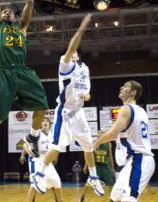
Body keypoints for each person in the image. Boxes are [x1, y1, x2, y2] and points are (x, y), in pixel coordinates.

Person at [31, 13, 104, 197]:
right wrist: (81, 29)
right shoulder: (64, 66)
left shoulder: (84, 68)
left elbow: (87, 91)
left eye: (73, 53)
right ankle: (39, 174)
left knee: (88, 146)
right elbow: (72, 45)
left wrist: (87, 96)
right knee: (57, 146)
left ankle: (94, 178)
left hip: (79, 112)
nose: (71, 53)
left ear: (78, 56)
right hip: (65, 112)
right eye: (69, 52)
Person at [0, 0, 49, 157]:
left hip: (22, 70)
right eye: (4, 12)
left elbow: (29, 3)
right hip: (4, 72)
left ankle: (33, 137)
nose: (6, 12)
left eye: (9, 11)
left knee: (42, 105)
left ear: (14, 15)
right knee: (1, 114)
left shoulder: (22, 28)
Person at [93, 81, 155, 202]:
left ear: (133, 92)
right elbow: (121, 133)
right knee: (114, 197)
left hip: (139, 160)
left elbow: (113, 133)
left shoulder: (127, 109)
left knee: (128, 199)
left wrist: (97, 142)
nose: (121, 87)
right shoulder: (141, 111)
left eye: (126, 85)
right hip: (131, 162)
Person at [24, 117, 62, 202]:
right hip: (36, 161)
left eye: (47, 121)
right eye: (43, 121)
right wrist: (29, 153)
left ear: (49, 124)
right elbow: (25, 145)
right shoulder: (37, 133)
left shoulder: (53, 135)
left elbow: (56, 148)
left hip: (47, 162)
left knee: (57, 182)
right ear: (41, 124)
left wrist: (55, 157)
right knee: (34, 184)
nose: (45, 122)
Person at [80, 130, 115, 202]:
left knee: (111, 182)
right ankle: (82, 196)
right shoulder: (94, 143)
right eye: (99, 133)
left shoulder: (108, 144)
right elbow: (89, 156)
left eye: (102, 132)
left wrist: (112, 168)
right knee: (89, 181)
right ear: (97, 135)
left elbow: (110, 156)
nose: (100, 134)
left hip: (106, 165)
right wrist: (85, 166)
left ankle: (112, 198)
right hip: (96, 165)